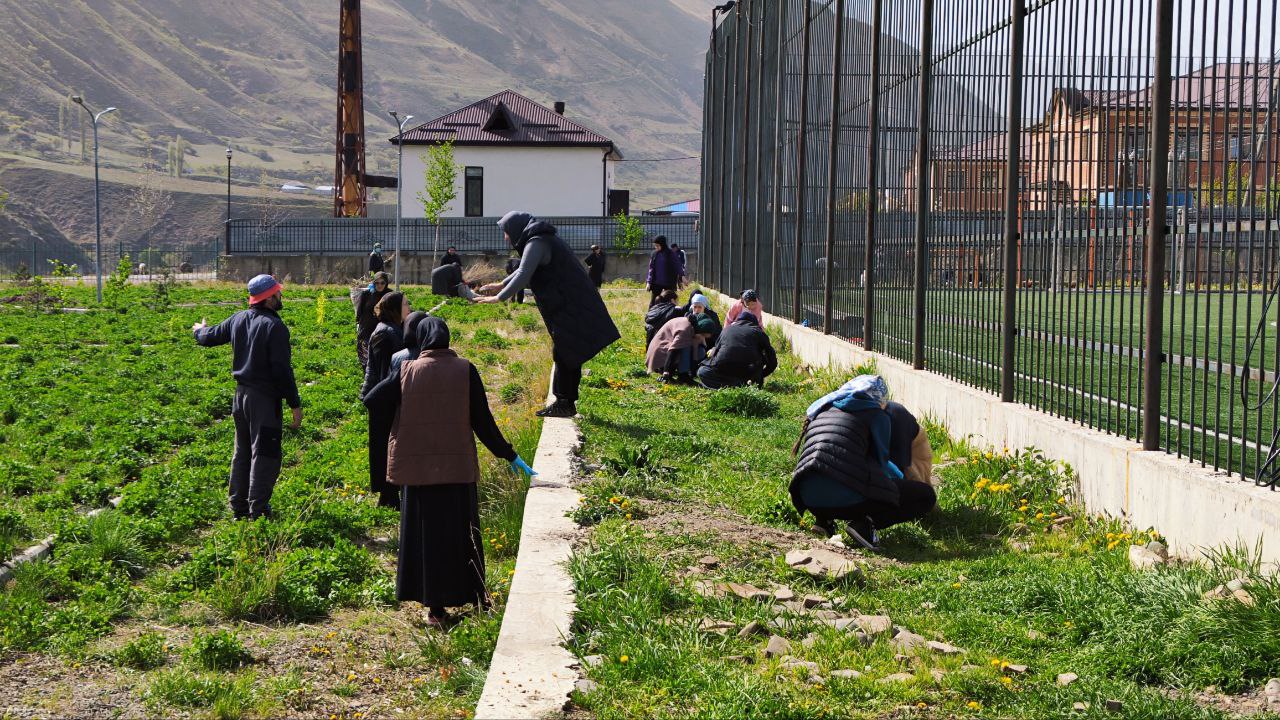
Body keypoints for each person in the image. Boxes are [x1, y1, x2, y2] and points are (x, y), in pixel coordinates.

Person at [362, 316, 535, 626]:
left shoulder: (406, 371)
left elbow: (373, 399)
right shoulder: (465, 370)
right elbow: (484, 422)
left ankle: (436, 611)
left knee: (426, 540)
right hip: (457, 471)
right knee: (462, 536)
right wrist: (510, 456)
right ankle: (476, 595)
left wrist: (404, 417)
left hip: (419, 473)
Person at [473, 211, 621, 418]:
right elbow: (524, 268)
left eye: (506, 232)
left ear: (516, 229)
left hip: (571, 304)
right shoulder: (539, 239)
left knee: (566, 352)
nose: (506, 237)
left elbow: (524, 273)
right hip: (569, 303)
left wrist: (500, 297)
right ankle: (565, 402)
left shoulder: (537, 241)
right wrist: (501, 284)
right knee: (567, 351)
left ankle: (564, 403)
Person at [192, 274, 302, 520]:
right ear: (269, 298)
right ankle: (258, 511)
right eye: (278, 293)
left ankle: (239, 507)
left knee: (242, 452)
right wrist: (295, 404)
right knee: (264, 454)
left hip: (240, 398)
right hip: (264, 400)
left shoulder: (238, 319)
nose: (280, 296)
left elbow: (209, 337)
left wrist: (199, 331)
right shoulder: (275, 327)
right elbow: (282, 371)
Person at [789, 375, 937, 550]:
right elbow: (881, 465)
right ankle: (865, 525)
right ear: (879, 399)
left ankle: (823, 521)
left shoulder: (822, 410)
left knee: (831, 470)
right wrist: (900, 481)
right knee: (926, 495)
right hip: (848, 500)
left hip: (808, 497)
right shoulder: (876, 415)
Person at [360, 291, 410, 508]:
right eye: (406, 304)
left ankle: (390, 492)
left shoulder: (393, 329)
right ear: (394, 308)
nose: (409, 308)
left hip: (385, 395)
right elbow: (382, 372)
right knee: (383, 445)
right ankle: (387, 495)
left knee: (390, 444)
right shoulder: (384, 333)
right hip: (380, 398)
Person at [696, 310, 777, 390]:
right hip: (749, 373)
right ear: (754, 323)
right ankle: (741, 385)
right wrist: (762, 374)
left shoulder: (726, 330)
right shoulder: (759, 332)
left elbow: (715, 354)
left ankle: (728, 386)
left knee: (702, 371)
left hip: (724, 371)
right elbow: (772, 360)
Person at [646, 308, 717, 383]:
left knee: (700, 350)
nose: (703, 338)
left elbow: (698, 352)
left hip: (669, 350)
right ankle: (683, 375)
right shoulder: (685, 329)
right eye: (703, 335)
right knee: (684, 347)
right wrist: (666, 373)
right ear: (701, 330)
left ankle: (685, 373)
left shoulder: (693, 326)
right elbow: (673, 350)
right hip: (659, 355)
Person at [355, 272, 391, 369]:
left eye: (382, 283)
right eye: (377, 283)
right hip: (366, 331)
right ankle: (367, 380)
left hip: (381, 333)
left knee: (379, 360)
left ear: (386, 283)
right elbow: (359, 313)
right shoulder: (366, 294)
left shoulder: (390, 295)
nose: (379, 285)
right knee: (365, 358)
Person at [646, 236, 682, 304]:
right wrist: (648, 282)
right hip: (657, 283)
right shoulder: (654, 254)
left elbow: (678, 266)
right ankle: (651, 314)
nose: (656, 247)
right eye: (655, 246)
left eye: (657, 245)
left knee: (670, 301)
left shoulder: (671, 254)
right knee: (653, 302)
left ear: (663, 244)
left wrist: (682, 276)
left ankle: (671, 314)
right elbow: (651, 269)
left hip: (669, 283)